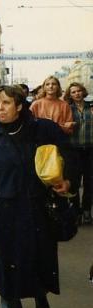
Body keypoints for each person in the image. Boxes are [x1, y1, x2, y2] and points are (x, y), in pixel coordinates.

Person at [0, 85, 75, 308]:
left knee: (38, 259)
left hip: (38, 208)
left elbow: (70, 156)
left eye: (6, 103)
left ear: (19, 105)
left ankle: (40, 295)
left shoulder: (44, 130)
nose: (0, 108)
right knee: (6, 265)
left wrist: (68, 180)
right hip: (4, 211)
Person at [64, 82, 93, 224]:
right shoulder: (67, 109)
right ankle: (76, 212)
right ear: (70, 95)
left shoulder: (91, 108)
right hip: (73, 150)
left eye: (79, 91)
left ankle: (87, 210)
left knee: (90, 182)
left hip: (90, 149)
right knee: (74, 182)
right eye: (73, 92)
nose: (77, 94)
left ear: (83, 92)